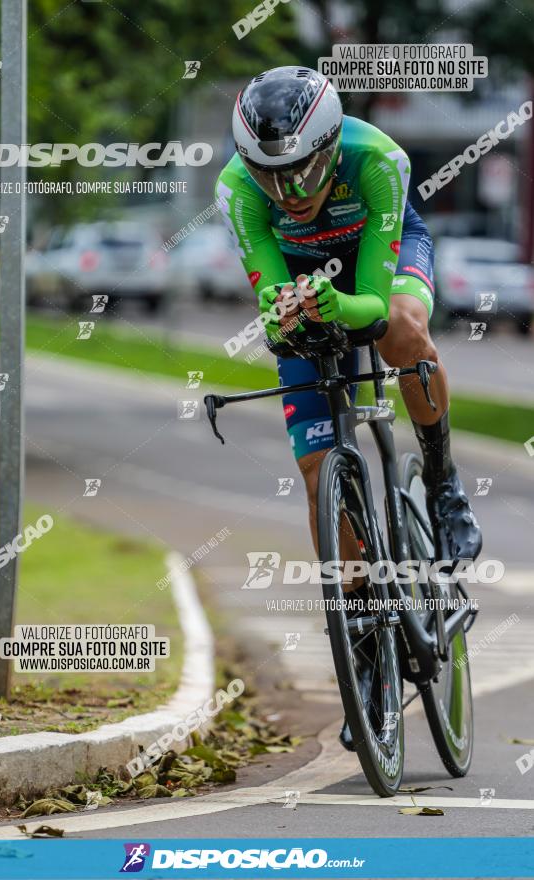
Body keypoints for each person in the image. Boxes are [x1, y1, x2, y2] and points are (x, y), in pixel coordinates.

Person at [215, 66, 482, 746]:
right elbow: (274, 316)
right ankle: (366, 649)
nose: (286, 191)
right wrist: (292, 313)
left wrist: (338, 304)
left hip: (378, 260)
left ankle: (444, 483)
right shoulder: (236, 189)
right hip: (305, 280)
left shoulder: (377, 160)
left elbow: (366, 300)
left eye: (301, 173)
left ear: (330, 147)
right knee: (315, 477)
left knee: (399, 327)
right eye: (270, 176)